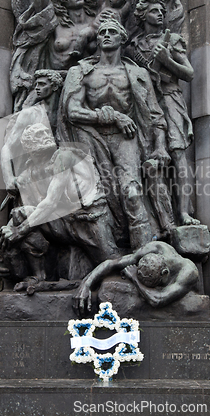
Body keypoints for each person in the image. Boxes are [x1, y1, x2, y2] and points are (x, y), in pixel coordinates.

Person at [58, 18, 171, 250]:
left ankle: (144, 255)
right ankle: (108, 254)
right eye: (102, 32)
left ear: (123, 38)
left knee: (132, 192)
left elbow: (155, 115)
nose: (106, 35)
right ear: (97, 39)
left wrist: (160, 147)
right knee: (94, 199)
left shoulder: (138, 74)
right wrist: (109, 116)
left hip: (126, 138)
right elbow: (72, 111)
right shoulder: (80, 72)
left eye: (112, 32)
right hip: (89, 137)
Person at [0, 123, 123, 291]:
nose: (46, 136)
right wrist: (6, 237)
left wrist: (19, 232)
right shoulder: (33, 169)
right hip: (65, 219)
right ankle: (39, 277)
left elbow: (50, 202)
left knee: (113, 264)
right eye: (39, 135)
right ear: (29, 146)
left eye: (46, 132)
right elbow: (19, 185)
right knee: (20, 214)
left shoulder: (64, 156)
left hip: (90, 218)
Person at [129, 0, 199, 226]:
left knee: (178, 153)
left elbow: (188, 74)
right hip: (143, 102)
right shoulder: (134, 45)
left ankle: (183, 213)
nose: (159, 14)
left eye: (161, 10)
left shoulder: (172, 40)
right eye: (153, 11)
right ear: (142, 16)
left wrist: (167, 60)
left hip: (169, 99)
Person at [10, 0, 98, 109]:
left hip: (86, 84)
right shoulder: (53, 21)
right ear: (62, 1)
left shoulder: (96, 23)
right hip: (52, 83)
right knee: (25, 111)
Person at [73, 240, 199, 317]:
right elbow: (111, 263)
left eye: (153, 285)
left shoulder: (188, 272)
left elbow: (157, 299)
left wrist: (134, 278)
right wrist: (86, 284)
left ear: (165, 273)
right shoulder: (155, 248)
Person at [0, 69, 63, 200]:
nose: (37, 88)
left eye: (42, 84)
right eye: (36, 85)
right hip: (35, 178)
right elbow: (8, 147)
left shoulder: (65, 113)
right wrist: (9, 179)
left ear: (55, 86)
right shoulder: (30, 114)